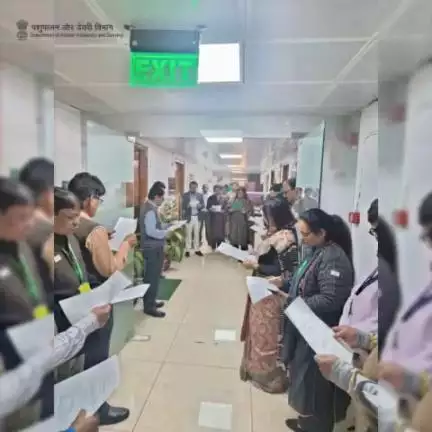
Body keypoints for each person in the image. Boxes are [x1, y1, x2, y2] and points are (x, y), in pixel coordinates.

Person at [68, 173, 131, 425]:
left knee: (83, 355)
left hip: (76, 301)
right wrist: (126, 245)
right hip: (98, 300)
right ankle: (97, 411)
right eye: (99, 198)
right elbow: (110, 268)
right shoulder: (93, 229)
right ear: (89, 199)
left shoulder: (67, 225)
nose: (99, 204)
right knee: (97, 356)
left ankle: (80, 405)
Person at [284, 209, 355, 432]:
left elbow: (330, 298)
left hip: (319, 330)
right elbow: (302, 279)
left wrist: (296, 304)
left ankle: (318, 425)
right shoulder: (316, 251)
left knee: (316, 384)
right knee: (304, 378)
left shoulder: (333, 258)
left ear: (322, 233)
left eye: (305, 234)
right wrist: (283, 284)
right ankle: (309, 419)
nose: (302, 238)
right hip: (305, 325)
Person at [239, 198, 299, 393]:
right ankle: (253, 368)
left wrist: (256, 264)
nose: (267, 221)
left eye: (269, 217)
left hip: (271, 293)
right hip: (261, 290)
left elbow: (283, 270)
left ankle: (267, 375)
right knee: (257, 332)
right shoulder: (279, 233)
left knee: (267, 336)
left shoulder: (286, 238)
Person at [139, 183, 168, 318]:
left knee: (154, 277)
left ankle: (151, 301)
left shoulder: (150, 207)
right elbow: (151, 231)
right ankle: (149, 307)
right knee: (151, 278)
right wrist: (166, 233)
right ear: (156, 196)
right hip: (152, 248)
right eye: (162, 198)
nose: (163, 201)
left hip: (153, 248)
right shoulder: (149, 210)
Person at [182, 181, 204, 257]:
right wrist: (187, 206)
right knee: (188, 234)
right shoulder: (185, 195)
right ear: (189, 187)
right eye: (192, 187)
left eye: (195, 187)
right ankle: (187, 250)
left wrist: (200, 206)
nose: (193, 189)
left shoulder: (200, 195)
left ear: (196, 187)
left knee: (197, 234)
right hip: (189, 217)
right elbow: (183, 206)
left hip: (197, 217)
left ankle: (197, 250)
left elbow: (203, 205)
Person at [206, 185, 225, 250]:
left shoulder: (224, 198)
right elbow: (208, 207)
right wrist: (211, 209)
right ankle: (213, 246)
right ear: (214, 190)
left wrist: (224, 210)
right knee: (213, 232)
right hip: (213, 218)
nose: (217, 191)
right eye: (216, 190)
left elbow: (226, 207)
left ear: (220, 190)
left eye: (218, 190)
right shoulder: (210, 198)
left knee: (220, 232)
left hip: (221, 218)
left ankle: (220, 246)